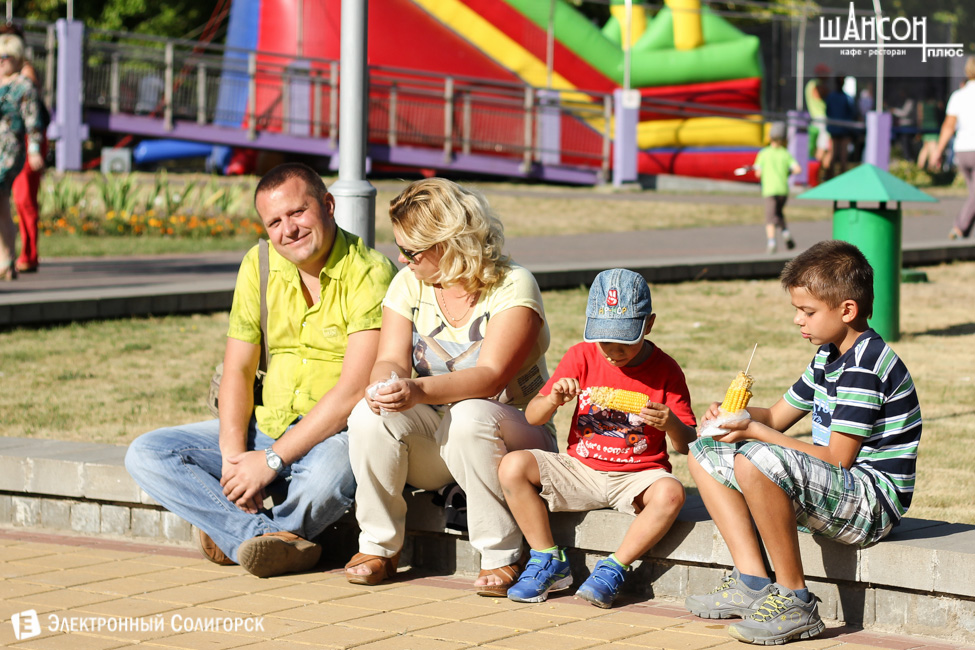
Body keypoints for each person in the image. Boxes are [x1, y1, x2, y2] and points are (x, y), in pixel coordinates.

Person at [125, 163, 396, 578]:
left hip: (332, 433)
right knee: (147, 453)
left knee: (333, 475)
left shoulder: (370, 273)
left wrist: (269, 461)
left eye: (297, 213)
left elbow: (352, 391)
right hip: (266, 424)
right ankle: (265, 538)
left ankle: (236, 534)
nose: (288, 229)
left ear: (327, 205)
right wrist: (236, 462)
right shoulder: (259, 264)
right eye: (274, 222)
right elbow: (237, 369)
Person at [684, 240, 922, 645]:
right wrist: (732, 415)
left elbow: (838, 458)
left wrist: (755, 432)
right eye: (798, 310)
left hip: (871, 503)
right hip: (837, 488)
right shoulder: (828, 355)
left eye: (808, 311)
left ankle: (795, 600)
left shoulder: (865, 366)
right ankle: (753, 582)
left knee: (756, 457)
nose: (798, 320)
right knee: (703, 450)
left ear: (847, 310)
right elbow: (776, 417)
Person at [343, 177, 556, 596]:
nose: (402, 261)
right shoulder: (408, 284)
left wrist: (419, 391)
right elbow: (389, 357)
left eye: (411, 251)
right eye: (400, 249)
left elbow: (491, 376)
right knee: (369, 414)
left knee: (471, 413)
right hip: (445, 441)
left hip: (518, 442)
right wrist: (386, 384)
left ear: (449, 244)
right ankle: (379, 548)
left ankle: (503, 555)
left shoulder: (514, 285)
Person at [498, 268, 697, 608]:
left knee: (672, 492)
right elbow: (533, 416)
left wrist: (671, 423)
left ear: (648, 325)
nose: (613, 352)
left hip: (637, 475)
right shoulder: (582, 355)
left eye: (624, 342)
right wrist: (553, 399)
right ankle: (548, 558)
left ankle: (614, 567)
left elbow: (687, 444)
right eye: (604, 340)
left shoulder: (666, 369)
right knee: (513, 466)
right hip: (581, 468)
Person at [0, 24, 46, 274]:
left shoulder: (24, 83)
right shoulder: (2, 81)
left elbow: (33, 121)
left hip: (12, 150)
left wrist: (35, 150)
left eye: (4, 57)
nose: (1, 61)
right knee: (4, 206)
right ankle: (7, 260)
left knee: (18, 202)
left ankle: (18, 256)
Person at [932, 56, 975, 240]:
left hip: (962, 151)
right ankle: (959, 227)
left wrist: (938, 151)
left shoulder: (958, 95)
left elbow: (948, 126)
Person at [754, 122, 801, 254]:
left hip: (769, 189)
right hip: (783, 190)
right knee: (778, 214)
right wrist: (787, 172)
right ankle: (786, 234)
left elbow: (758, 173)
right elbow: (797, 169)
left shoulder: (763, 154)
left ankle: (771, 242)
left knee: (770, 217)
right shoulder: (785, 154)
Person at [804, 64, 831, 182]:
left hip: (819, 120)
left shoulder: (814, 85)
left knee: (824, 148)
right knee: (823, 148)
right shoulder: (815, 85)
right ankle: (817, 177)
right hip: (820, 120)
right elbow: (821, 94)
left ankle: (819, 176)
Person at [824, 76, 855, 178]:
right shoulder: (845, 98)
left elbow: (827, 111)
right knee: (840, 156)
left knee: (837, 156)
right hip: (840, 130)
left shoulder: (833, 97)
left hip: (838, 130)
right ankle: (833, 178)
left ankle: (833, 178)